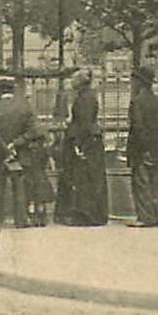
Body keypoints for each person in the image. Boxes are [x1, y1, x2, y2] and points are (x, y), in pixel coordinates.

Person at [56, 70, 108, 226]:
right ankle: (92, 214)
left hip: (87, 143)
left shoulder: (85, 99)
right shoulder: (87, 96)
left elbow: (84, 123)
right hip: (90, 141)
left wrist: (79, 144)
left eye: (73, 80)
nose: (71, 82)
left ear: (80, 82)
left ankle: (87, 215)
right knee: (89, 179)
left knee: (86, 179)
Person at [125, 66, 158, 228]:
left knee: (141, 184)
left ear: (139, 82)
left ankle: (144, 217)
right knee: (154, 185)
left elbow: (138, 129)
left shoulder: (137, 102)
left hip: (142, 151)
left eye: (133, 80)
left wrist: (143, 148)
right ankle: (154, 216)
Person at [0, 82, 45, 228]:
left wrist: (5, 147)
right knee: (20, 187)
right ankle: (21, 220)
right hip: (21, 153)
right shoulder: (25, 107)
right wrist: (16, 143)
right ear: (13, 90)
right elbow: (35, 131)